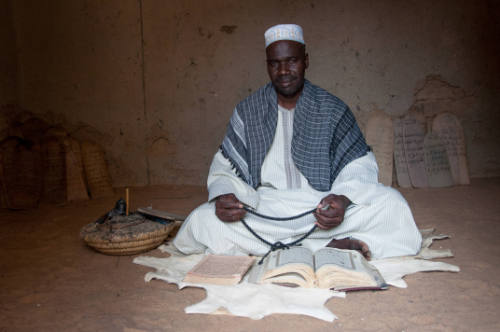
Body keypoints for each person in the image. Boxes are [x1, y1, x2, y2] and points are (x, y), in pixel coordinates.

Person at [173, 24, 422, 260]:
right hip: (265, 209)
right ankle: (328, 246)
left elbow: (359, 164)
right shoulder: (247, 111)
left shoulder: (332, 109)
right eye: (275, 64)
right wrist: (225, 197)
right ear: (267, 66)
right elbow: (225, 168)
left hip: (321, 207)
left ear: (306, 61)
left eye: (292, 61)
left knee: (392, 205)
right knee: (201, 219)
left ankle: (291, 246)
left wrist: (342, 200)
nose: (283, 71)